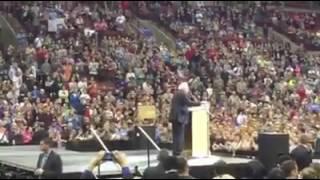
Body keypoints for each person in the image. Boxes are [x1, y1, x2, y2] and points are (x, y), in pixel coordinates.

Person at [169, 82, 200, 156]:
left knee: (176, 135)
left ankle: (175, 151)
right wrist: (199, 103)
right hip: (179, 117)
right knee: (180, 135)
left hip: (174, 117)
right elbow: (188, 103)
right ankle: (179, 151)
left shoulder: (177, 93)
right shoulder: (182, 94)